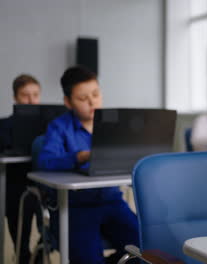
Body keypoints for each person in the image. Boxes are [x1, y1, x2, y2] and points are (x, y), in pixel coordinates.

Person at [37, 66, 138, 264]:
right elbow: (45, 161)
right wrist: (79, 157)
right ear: (68, 102)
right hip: (76, 207)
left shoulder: (114, 125)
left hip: (112, 201)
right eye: (83, 99)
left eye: (96, 94)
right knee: (88, 258)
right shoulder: (59, 127)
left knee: (149, 249)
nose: (92, 102)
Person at [0, 74, 41, 264]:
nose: (31, 100)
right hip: (15, 189)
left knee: (51, 233)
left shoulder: (50, 125)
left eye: (35, 95)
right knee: (20, 239)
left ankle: (38, 257)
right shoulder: (5, 125)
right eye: (25, 95)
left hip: (43, 186)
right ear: (16, 97)